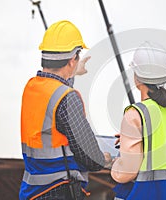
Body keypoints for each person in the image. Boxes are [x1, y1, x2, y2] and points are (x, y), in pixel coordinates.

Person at [19, 20, 111, 200]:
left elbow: (55, 94)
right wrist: (104, 159)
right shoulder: (68, 98)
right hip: (60, 190)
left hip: (32, 190)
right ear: (72, 60)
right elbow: (89, 157)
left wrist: (74, 71)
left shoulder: (32, 89)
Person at [111, 41, 166, 200]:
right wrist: (139, 143)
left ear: (137, 77)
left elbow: (126, 173)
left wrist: (115, 163)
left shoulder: (135, 114)